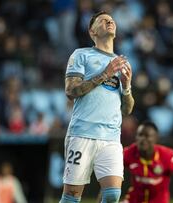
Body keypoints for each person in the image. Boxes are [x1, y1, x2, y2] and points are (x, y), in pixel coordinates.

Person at [59, 11, 134, 203]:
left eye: (111, 20)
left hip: (110, 137)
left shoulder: (123, 63)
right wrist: (105, 73)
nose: (109, 21)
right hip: (82, 133)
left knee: (112, 196)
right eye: (102, 20)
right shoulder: (81, 55)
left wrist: (126, 87)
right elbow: (71, 91)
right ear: (92, 31)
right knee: (71, 197)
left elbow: (127, 110)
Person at [122, 121, 173, 203]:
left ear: (156, 138)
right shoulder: (128, 153)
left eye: (147, 136)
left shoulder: (169, 157)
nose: (142, 139)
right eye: (140, 135)